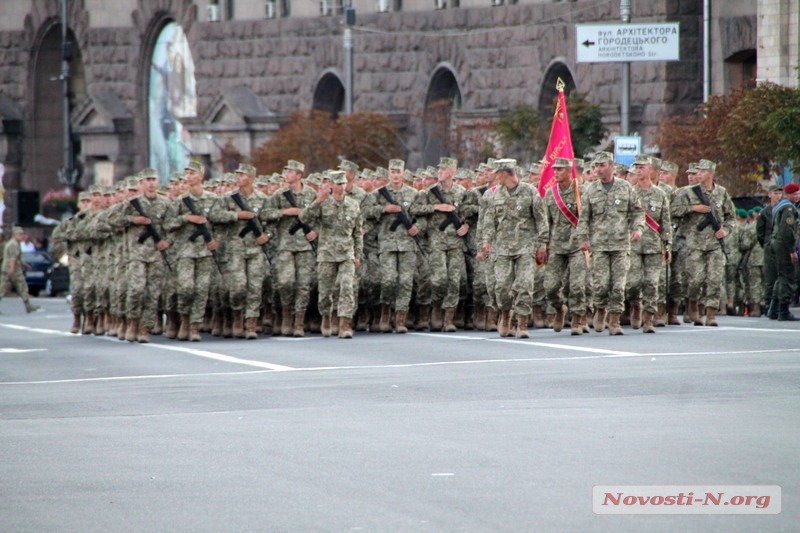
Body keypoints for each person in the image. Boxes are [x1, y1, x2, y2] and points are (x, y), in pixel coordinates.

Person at [576, 151, 645, 335]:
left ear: (611, 166)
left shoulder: (625, 188)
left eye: (602, 166)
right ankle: (600, 308)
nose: (598, 169)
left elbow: (638, 211)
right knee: (601, 285)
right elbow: (584, 218)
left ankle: (614, 321)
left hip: (621, 244)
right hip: (598, 245)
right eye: (596, 166)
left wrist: (637, 228)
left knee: (618, 285)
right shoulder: (590, 190)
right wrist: (583, 238)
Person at [479, 158, 548, 338]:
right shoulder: (494, 195)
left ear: (504, 174)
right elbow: (489, 222)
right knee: (501, 287)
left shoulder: (530, 192)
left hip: (525, 247)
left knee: (524, 285)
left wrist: (542, 244)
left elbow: (541, 220)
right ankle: (505, 314)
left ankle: (522, 323)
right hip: (501, 249)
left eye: (497, 174)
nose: (495, 178)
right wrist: (486, 242)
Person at [410, 157, 477, 332]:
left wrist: (466, 224)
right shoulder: (428, 193)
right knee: (439, 279)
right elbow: (413, 209)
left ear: (453, 172)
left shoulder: (462, 193)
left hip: (455, 242)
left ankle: (448, 318)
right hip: (436, 241)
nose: (439, 172)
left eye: (443, 169)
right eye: (438, 169)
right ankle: (436, 310)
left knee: (455, 281)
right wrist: (436, 207)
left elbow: (474, 211)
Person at [163, 161, 228, 341]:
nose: (188, 177)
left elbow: (222, 224)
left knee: (201, 290)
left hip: (205, 251)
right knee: (185, 288)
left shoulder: (213, 200)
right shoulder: (180, 201)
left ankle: (194, 327)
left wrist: (217, 241)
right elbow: (168, 224)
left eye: (192, 173)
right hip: (185, 251)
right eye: (187, 174)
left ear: (201, 176)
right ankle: (184, 319)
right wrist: (185, 218)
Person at [670, 159, 736, 326]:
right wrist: (692, 208)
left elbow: (731, 217)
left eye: (702, 171)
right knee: (695, 280)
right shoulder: (687, 192)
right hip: (694, 243)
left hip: (714, 243)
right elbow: (673, 211)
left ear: (711, 174)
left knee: (714, 279)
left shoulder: (721, 193)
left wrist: (725, 230)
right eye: (697, 171)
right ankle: (693, 304)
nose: (698, 174)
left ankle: (711, 314)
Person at [300, 171, 363, 338]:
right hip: (327, 254)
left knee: (347, 287)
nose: (341, 187)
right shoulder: (323, 203)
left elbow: (357, 232)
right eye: (337, 184)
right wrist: (317, 200)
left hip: (346, 253)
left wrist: (357, 255)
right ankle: (326, 317)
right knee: (325, 291)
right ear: (331, 185)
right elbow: (304, 218)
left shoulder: (353, 204)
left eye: (343, 184)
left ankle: (344, 325)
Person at [364, 159, 422, 333]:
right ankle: (385, 314)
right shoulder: (377, 194)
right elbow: (365, 212)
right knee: (388, 280)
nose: (396, 175)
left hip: (407, 244)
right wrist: (383, 209)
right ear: (388, 173)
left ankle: (401, 319)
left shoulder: (414, 193)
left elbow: (422, 216)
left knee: (405, 282)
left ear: (403, 173)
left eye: (398, 172)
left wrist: (418, 227)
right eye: (393, 172)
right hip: (387, 244)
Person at [262, 160, 318, 337]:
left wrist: (315, 231)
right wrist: (284, 212)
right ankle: (287, 314)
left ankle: (299, 321)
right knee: (286, 282)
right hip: (285, 245)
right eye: (285, 171)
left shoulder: (311, 194)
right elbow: (264, 214)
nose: (286, 174)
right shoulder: (280, 195)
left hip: (304, 246)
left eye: (290, 171)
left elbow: (320, 215)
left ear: (299, 175)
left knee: (303, 284)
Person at [543, 158, 588, 335]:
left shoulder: (582, 191)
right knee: (550, 286)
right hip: (557, 245)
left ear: (570, 171)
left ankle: (577, 318)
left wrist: (587, 238)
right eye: (554, 170)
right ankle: (560, 308)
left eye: (560, 170)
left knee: (577, 285)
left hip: (577, 245)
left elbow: (589, 218)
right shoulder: (550, 194)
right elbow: (545, 221)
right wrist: (543, 243)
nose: (555, 173)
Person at [627, 155, 672, 333]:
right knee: (633, 283)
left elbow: (666, 222)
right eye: (636, 168)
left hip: (654, 246)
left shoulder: (660, 194)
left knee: (652, 283)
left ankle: (648, 319)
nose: (639, 171)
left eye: (642, 167)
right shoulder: (630, 192)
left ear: (651, 170)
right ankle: (635, 306)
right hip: (634, 245)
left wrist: (667, 245)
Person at [769, 183, 800, 321]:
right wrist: (792, 251)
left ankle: (773, 309)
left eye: (798, 193)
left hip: (776, 243)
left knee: (780, 277)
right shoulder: (788, 208)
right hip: (783, 245)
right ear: (788, 194)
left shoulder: (779, 206)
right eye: (795, 194)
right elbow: (787, 232)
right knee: (787, 276)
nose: (797, 196)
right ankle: (783, 310)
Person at [0, 227, 40, 313]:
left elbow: (17, 258)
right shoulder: (13, 245)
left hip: (11, 269)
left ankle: (28, 305)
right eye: (20, 234)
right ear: (15, 235)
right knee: (7, 288)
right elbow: (13, 259)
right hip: (12, 270)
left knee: (18, 287)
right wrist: (12, 270)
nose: (22, 236)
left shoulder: (15, 244)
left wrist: (25, 264)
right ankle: (28, 306)